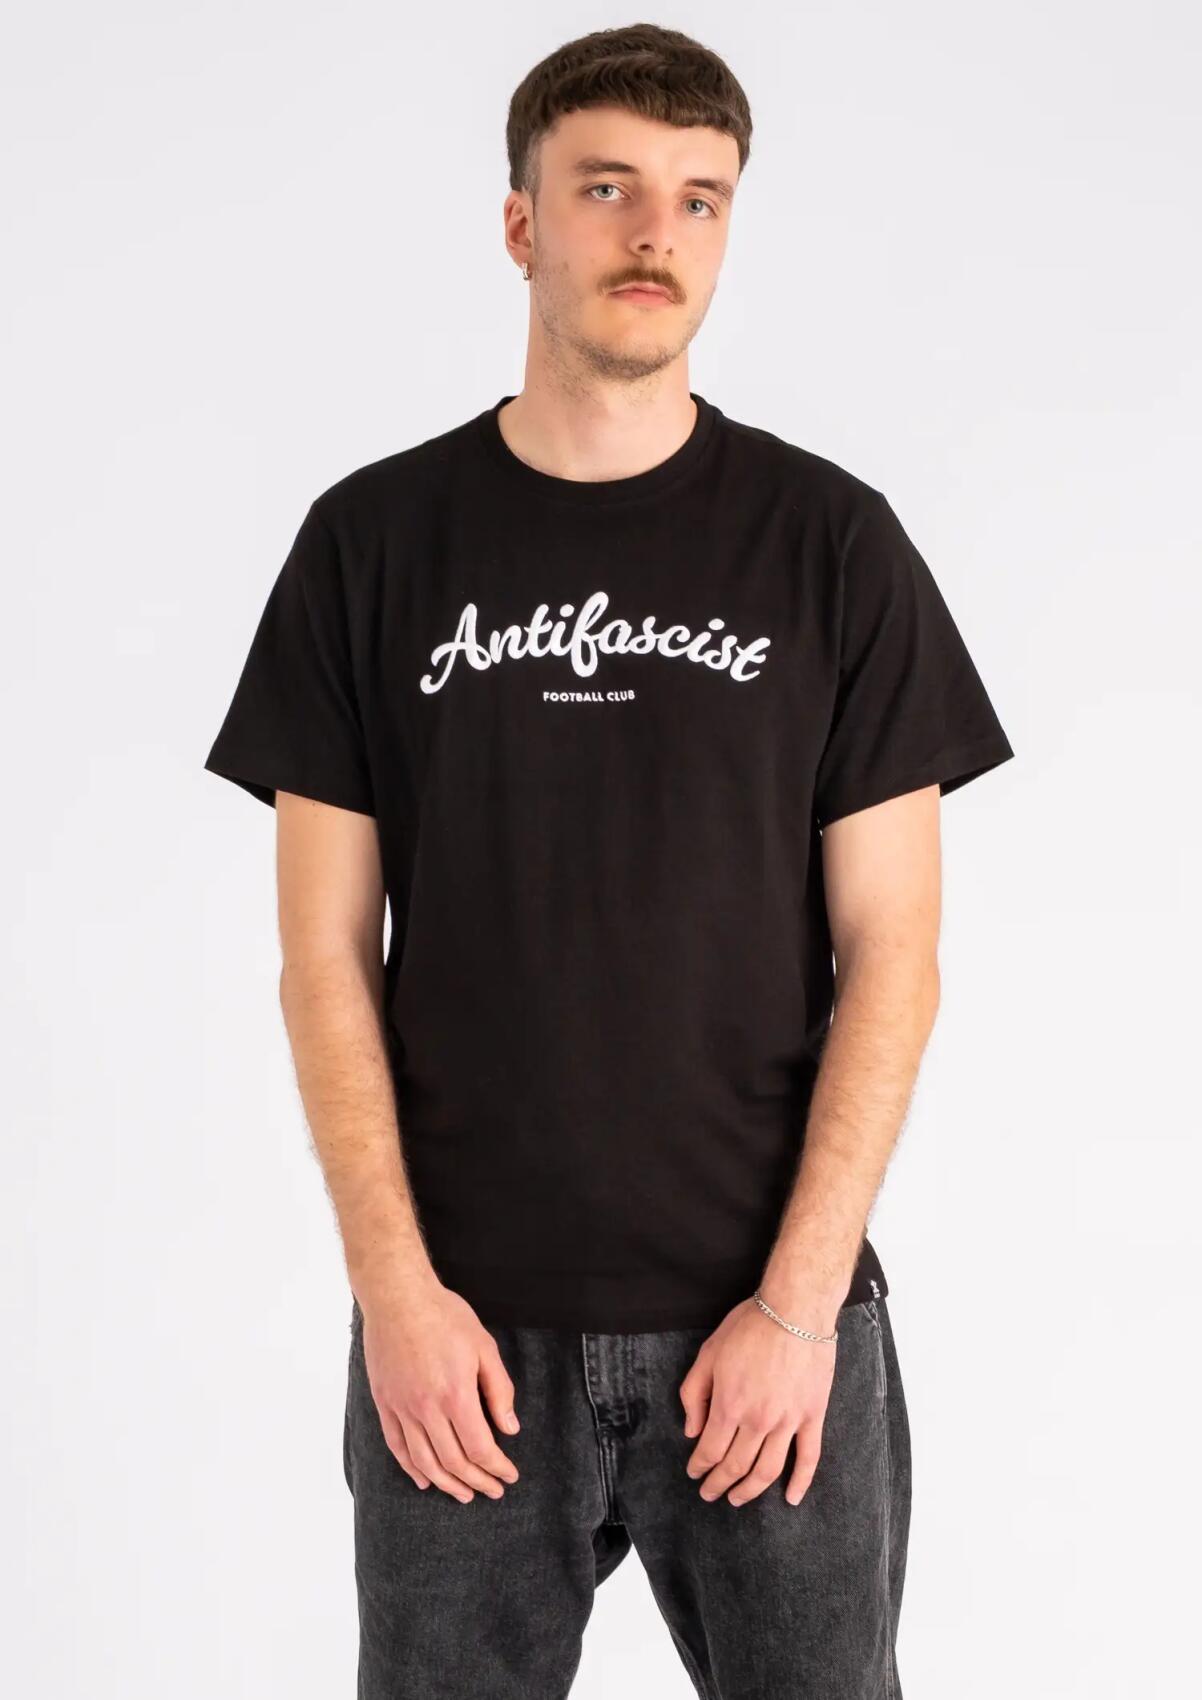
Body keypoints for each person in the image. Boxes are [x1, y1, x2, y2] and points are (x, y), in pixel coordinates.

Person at [203, 22, 1014, 1699]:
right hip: (459, 1347)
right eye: (607, 189)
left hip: (770, 1337)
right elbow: (322, 960)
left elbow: (895, 955)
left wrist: (796, 1313)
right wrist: (395, 1299)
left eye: (699, 199)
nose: (657, 234)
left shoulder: (831, 545)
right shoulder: (372, 543)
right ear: (520, 224)